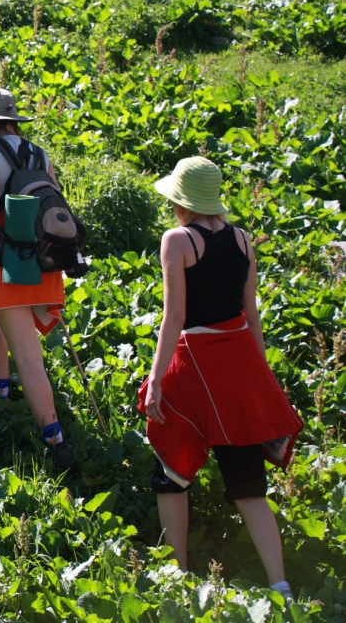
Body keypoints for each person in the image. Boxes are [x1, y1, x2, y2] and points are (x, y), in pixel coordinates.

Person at [139, 156, 303, 598]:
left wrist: (156, 379)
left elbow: (175, 317)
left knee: (172, 468)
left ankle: (178, 575)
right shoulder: (243, 239)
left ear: (181, 201)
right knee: (249, 484)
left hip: (195, 362)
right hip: (240, 360)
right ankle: (281, 584)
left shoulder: (177, 240)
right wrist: (259, 376)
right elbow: (251, 314)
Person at [0, 87, 73, 472]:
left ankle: (56, 442)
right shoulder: (40, 153)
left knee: (26, 355)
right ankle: (0, 396)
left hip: (7, 261)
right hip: (44, 261)